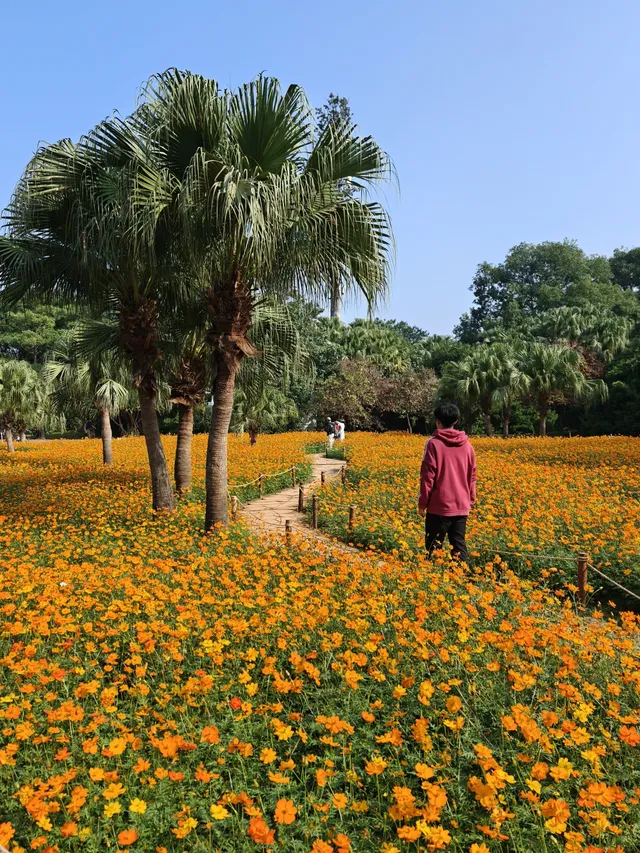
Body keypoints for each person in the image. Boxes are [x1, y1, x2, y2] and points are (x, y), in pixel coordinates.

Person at [417, 402, 476, 563]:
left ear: (437, 421)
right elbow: (472, 475)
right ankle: (460, 579)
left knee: (433, 548)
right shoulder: (468, 446)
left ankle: (432, 580)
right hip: (461, 506)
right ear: (455, 421)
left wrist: (422, 503)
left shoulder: (433, 444)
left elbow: (428, 476)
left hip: (439, 506)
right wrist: (470, 499)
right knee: (459, 547)